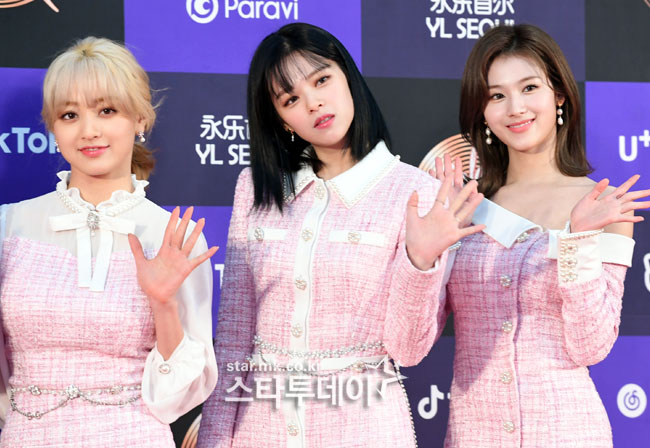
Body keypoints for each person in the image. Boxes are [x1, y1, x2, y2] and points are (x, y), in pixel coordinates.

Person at [197, 22, 484, 447]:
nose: (314, 103)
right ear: (281, 119)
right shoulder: (254, 188)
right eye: (291, 99)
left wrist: (419, 262)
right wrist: (214, 439)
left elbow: (408, 351)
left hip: (363, 428)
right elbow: (235, 337)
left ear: (348, 77)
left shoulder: (416, 192)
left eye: (322, 80)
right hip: (261, 430)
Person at [430, 24, 650, 447]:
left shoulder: (603, 206)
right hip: (473, 434)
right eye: (497, 96)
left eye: (529, 88)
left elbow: (590, 346)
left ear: (559, 95)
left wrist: (577, 240)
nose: (516, 108)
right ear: (482, 111)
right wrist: (422, 257)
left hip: (566, 432)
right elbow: (417, 340)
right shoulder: (462, 208)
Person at [0, 37, 219, 447]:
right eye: (70, 115)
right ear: (53, 128)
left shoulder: (172, 236)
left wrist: (163, 303)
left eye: (106, 110)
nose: (89, 131)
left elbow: (176, 399)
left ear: (140, 119)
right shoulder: (9, 226)